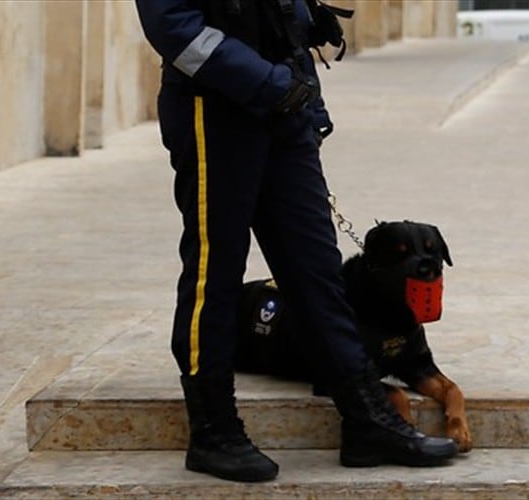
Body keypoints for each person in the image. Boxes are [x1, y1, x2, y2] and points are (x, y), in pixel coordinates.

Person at [135, 0, 458, 484]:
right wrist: (272, 85)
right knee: (215, 272)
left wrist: (309, 104)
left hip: (284, 112)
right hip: (215, 111)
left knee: (318, 273)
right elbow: (174, 27)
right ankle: (214, 432)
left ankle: (368, 420)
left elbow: (287, 16)